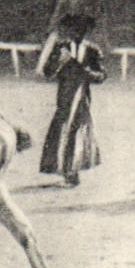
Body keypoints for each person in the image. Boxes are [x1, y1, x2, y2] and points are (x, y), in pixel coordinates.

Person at [39, 12, 106, 187]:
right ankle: (67, 171)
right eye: (74, 29)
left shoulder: (92, 50)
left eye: (82, 30)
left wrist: (83, 69)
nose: (78, 33)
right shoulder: (61, 48)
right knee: (63, 130)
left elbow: (101, 76)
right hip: (64, 97)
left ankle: (72, 171)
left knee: (77, 132)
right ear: (69, 30)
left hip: (82, 98)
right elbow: (47, 72)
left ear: (86, 31)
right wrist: (59, 63)